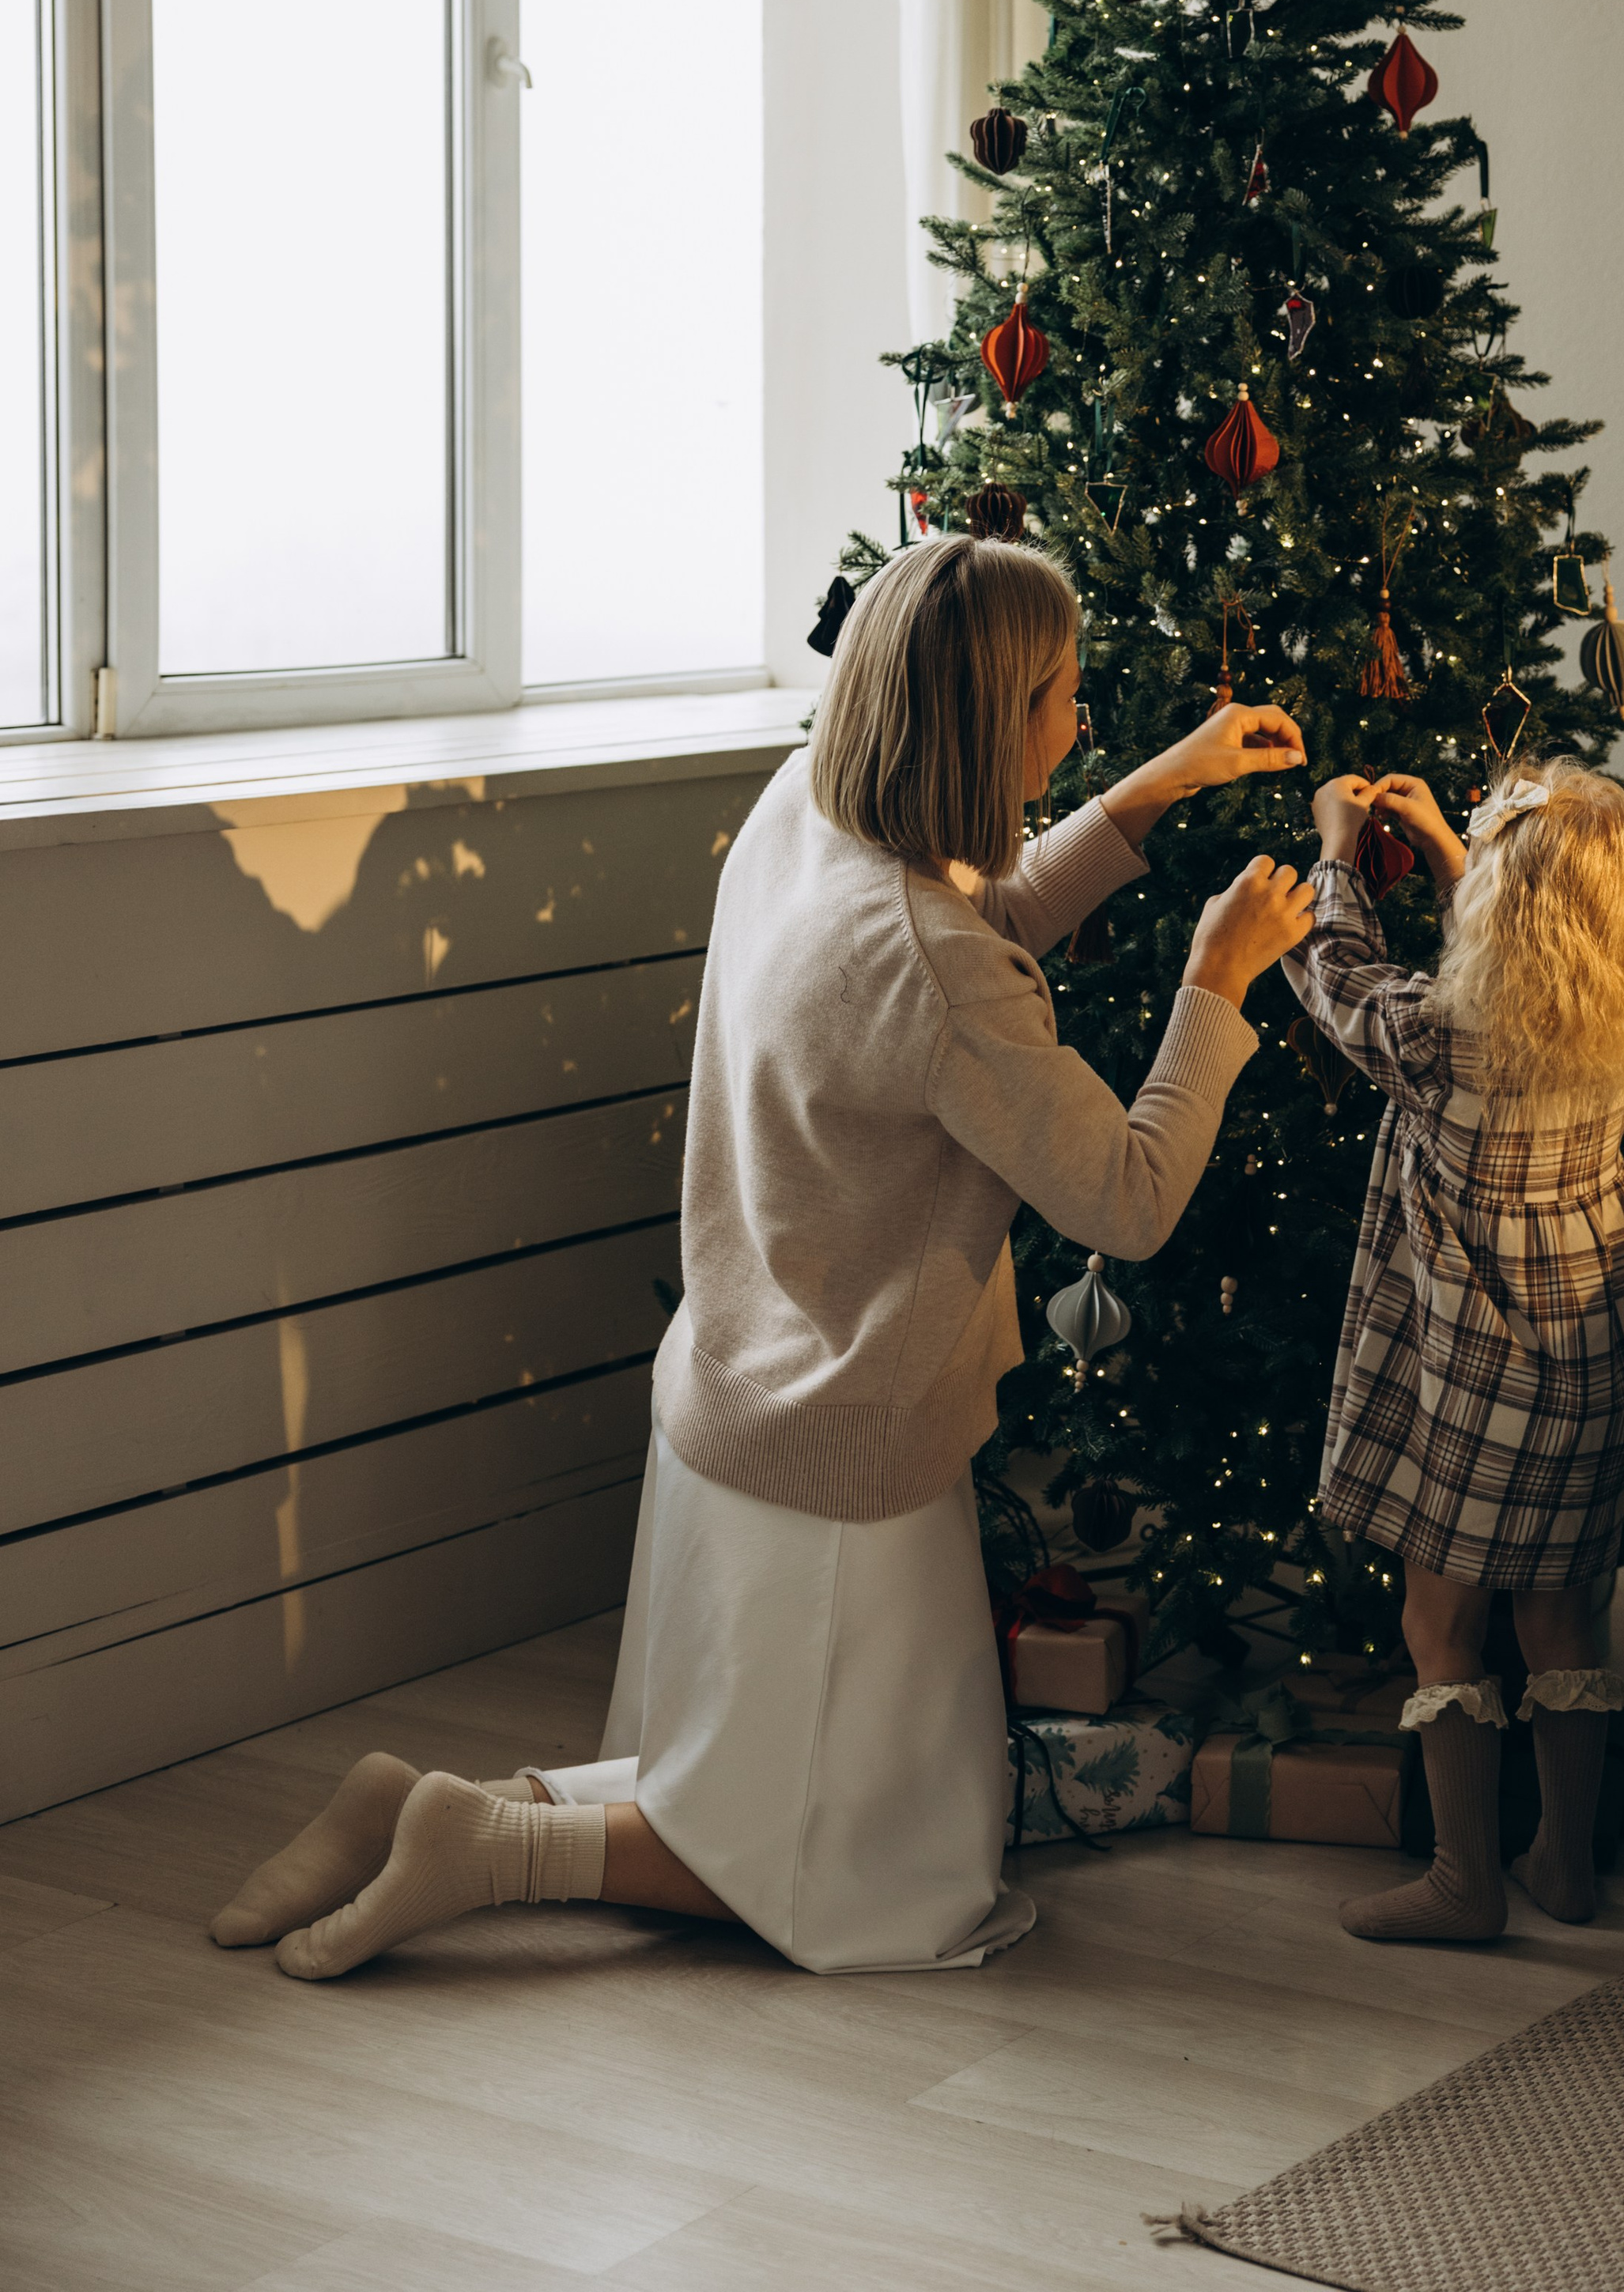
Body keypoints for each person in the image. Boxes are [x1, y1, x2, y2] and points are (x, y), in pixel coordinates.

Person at [211, 534, 1314, 1980]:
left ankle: (404, 1809)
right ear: (984, 724)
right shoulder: (931, 960)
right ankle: (486, 1848)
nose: (1081, 719)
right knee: (866, 1872)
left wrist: (1156, 784)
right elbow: (1125, 1194)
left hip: (732, 1389)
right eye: (1061, 694)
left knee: (750, 1789)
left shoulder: (812, 814)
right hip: (841, 1446)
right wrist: (1214, 980)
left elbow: (971, 935)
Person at [1284, 755, 1624, 1944]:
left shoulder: (1437, 1039)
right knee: (1564, 1619)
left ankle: (1463, 1882)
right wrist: (1444, 852)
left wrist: (1335, 852)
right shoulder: (1616, 1018)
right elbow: (1528, 959)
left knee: (1441, 1623)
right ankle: (1564, 1867)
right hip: (1591, 1352)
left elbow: (1338, 976)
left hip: (1479, 1376)